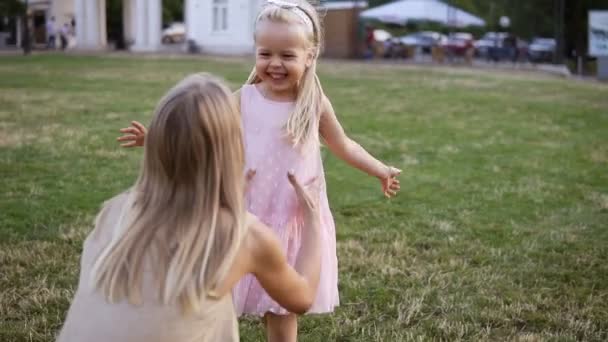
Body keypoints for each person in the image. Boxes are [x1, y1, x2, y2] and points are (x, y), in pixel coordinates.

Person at [117, 1, 402, 341]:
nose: (275, 64)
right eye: (266, 53)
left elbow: (344, 145)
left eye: (287, 55)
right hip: (248, 215)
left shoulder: (313, 104)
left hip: (292, 217)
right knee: (218, 304)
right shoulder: (245, 98)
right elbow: (205, 133)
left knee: (281, 311)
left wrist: (380, 170)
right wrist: (157, 139)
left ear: (309, 56)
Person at [57, 73, 322, 342]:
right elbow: (301, 298)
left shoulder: (114, 211)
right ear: (234, 151)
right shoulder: (243, 237)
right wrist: (313, 222)